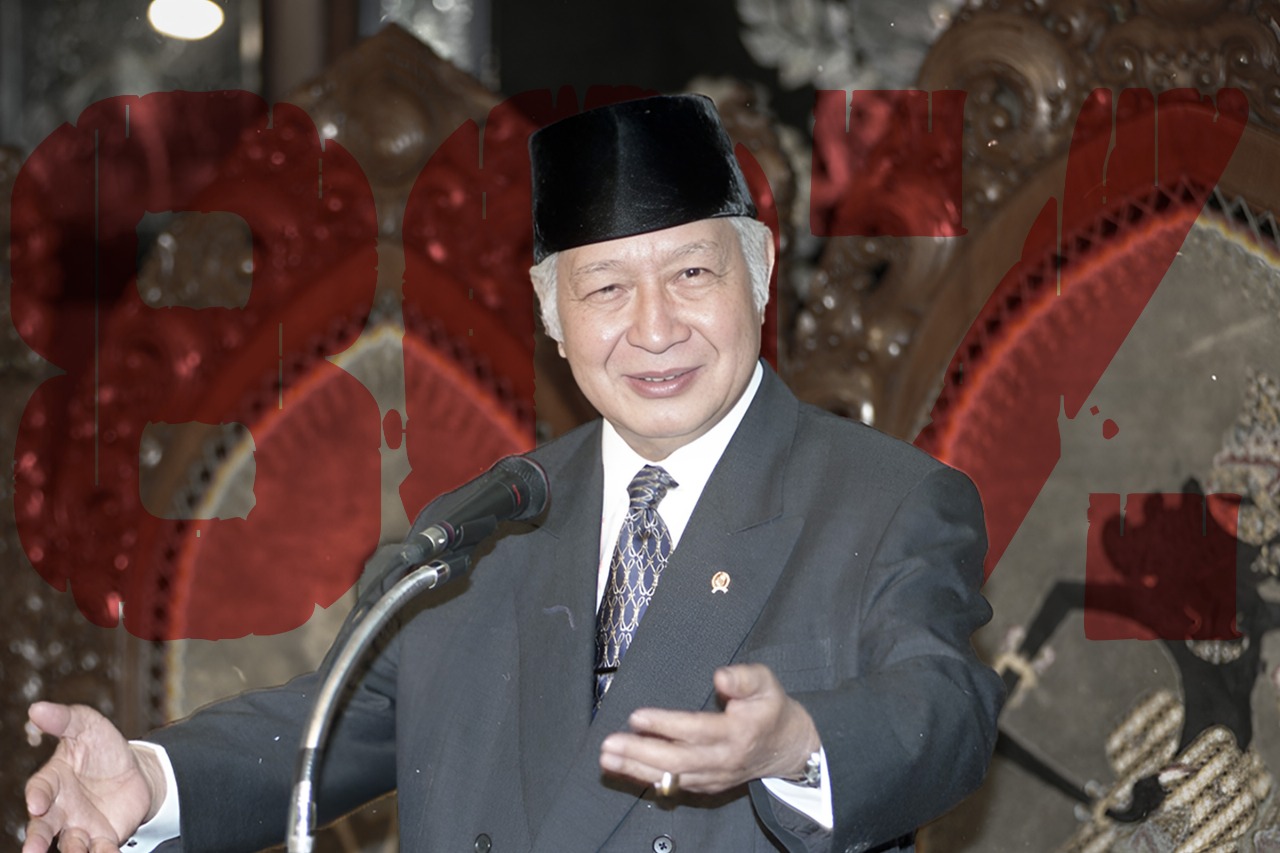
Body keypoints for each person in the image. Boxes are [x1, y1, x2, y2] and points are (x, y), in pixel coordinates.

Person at [24, 94, 1003, 853]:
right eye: (606, 287)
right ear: (551, 317)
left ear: (759, 272)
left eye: (691, 274)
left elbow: (947, 709)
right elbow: (334, 719)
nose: (654, 328)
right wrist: (153, 779)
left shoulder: (886, 502)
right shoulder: (487, 523)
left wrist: (796, 743)